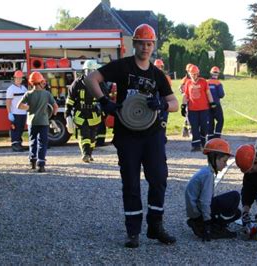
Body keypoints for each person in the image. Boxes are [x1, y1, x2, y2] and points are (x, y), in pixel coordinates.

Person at [84, 23, 179, 248]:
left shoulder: (157, 74)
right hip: (127, 135)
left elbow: (174, 102)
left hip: (153, 135)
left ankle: (155, 226)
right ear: (134, 44)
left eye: (149, 44)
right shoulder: (123, 66)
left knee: (158, 179)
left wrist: (162, 106)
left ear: (153, 46)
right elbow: (90, 79)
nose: (145, 47)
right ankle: (133, 232)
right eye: (141, 43)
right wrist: (104, 101)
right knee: (131, 183)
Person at [185, 138, 241, 241]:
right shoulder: (207, 175)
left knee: (236, 211)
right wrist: (207, 224)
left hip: (195, 212)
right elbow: (204, 202)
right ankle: (212, 226)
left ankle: (204, 222)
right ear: (216, 159)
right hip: (199, 213)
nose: (226, 164)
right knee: (235, 196)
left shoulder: (206, 172)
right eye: (224, 161)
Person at [18, 72, 58, 173]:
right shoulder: (47, 94)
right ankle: (41, 164)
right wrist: (52, 115)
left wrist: (29, 108)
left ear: (31, 83)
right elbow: (55, 107)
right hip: (44, 122)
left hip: (32, 122)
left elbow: (19, 105)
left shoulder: (28, 94)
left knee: (33, 141)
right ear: (41, 82)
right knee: (42, 143)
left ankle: (32, 162)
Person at [65, 60, 103, 163]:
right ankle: (85, 154)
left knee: (92, 136)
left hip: (94, 113)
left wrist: (104, 112)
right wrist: (67, 112)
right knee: (84, 133)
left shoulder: (99, 83)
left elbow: (104, 98)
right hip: (81, 113)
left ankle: (89, 153)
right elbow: (70, 98)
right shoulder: (77, 83)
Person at [181, 65, 216, 152]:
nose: (194, 76)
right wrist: (183, 105)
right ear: (189, 74)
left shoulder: (203, 82)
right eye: (193, 74)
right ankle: (196, 145)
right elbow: (185, 95)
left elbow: (208, 93)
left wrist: (212, 103)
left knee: (204, 127)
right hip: (192, 110)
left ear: (198, 73)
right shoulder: (188, 83)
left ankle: (203, 142)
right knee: (194, 127)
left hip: (204, 109)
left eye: (196, 74)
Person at [6, 70, 28, 152]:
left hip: (23, 113)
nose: (19, 79)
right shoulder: (11, 89)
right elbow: (8, 102)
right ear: (14, 79)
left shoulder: (23, 88)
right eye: (17, 78)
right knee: (15, 129)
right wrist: (9, 113)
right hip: (15, 113)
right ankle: (15, 145)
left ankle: (19, 144)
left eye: (20, 78)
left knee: (21, 129)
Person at [153, 59, 172, 139]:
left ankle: (162, 135)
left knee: (164, 118)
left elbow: (169, 90)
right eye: (157, 66)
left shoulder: (166, 77)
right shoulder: (151, 75)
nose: (158, 68)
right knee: (154, 118)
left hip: (163, 97)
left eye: (160, 67)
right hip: (155, 96)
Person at [207, 66, 225, 140]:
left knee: (210, 121)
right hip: (216, 104)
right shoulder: (218, 83)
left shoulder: (206, 82)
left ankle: (210, 137)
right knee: (220, 120)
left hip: (207, 105)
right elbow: (221, 94)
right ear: (218, 74)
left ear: (211, 73)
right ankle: (217, 136)